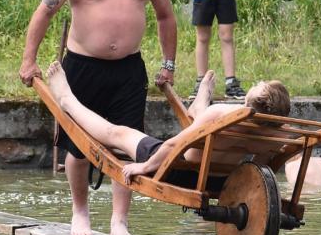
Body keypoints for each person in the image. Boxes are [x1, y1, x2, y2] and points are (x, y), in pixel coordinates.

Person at [19, 0, 177, 235]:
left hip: (128, 70)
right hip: (82, 68)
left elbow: (166, 16)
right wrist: (29, 60)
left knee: (128, 146)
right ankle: (80, 211)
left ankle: (119, 221)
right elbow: (45, 11)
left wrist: (168, 64)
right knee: (78, 148)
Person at [44, 63, 293, 185]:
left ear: (249, 103)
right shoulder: (276, 135)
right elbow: (257, 169)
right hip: (219, 182)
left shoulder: (223, 114)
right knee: (204, 126)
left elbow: (176, 145)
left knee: (117, 132)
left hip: (178, 171)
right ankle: (199, 106)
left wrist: (144, 167)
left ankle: (67, 100)